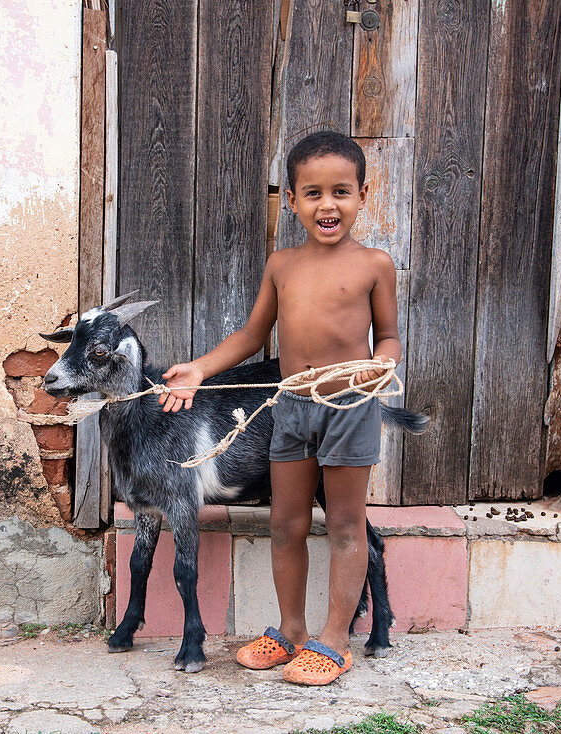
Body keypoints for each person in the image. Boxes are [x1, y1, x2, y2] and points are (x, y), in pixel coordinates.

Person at [158, 130, 401, 685]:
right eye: (312, 193)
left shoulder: (375, 265)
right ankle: (292, 631)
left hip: (350, 406)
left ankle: (335, 638)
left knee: (343, 522)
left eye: (341, 191)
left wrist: (378, 367)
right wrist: (200, 369)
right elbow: (251, 335)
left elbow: (388, 338)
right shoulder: (281, 266)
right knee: (286, 522)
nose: (327, 204)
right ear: (290, 201)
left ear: (365, 193)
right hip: (290, 407)